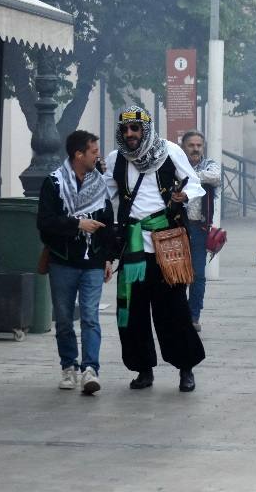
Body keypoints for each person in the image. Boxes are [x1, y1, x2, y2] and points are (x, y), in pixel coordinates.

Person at [104, 106, 206, 392]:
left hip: (167, 242)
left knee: (174, 311)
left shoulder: (170, 152)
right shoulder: (116, 159)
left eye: (135, 129)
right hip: (133, 247)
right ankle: (143, 369)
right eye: (125, 130)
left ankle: (186, 369)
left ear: (145, 130)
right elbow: (108, 197)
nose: (130, 134)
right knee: (132, 313)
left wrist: (184, 195)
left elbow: (195, 184)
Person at [37, 130, 117, 395]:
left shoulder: (99, 183)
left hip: (93, 260)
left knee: (91, 317)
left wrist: (108, 257)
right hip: (63, 260)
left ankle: (90, 369)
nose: (98, 156)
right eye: (93, 152)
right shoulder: (54, 183)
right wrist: (77, 224)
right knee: (63, 318)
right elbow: (45, 224)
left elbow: (107, 222)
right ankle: (68, 367)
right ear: (78, 154)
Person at [180, 130, 221, 331]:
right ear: (183, 147)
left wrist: (188, 176)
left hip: (198, 227)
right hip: (176, 226)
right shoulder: (174, 163)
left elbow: (214, 176)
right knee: (175, 273)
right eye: (191, 145)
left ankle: (193, 315)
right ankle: (176, 314)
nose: (195, 149)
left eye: (199, 145)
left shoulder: (209, 165)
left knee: (198, 274)